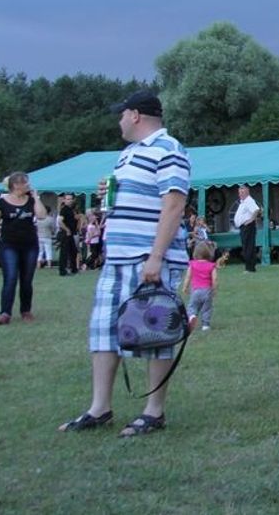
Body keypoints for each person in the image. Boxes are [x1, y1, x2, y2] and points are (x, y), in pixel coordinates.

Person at [58, 90, 190, 438]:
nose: (118, 121)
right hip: (117, 258)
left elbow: (174, 205)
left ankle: (154, 411)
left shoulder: (169, 150)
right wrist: (109, 193)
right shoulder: (128, 154)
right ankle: (99, 408)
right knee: (103, 331)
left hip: (148, 258)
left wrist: (156, 256)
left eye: (121, 114)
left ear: (135, 115)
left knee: (155, 333)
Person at [0, 172, 48, 324]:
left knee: (26, 279)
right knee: (10, 278)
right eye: (26, 183)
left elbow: (42, 215)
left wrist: (36, 197)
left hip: (30, 245)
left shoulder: (31, 201)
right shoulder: (2, 203)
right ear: (16, 185)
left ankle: (26, 311)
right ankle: (5, 313)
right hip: (8, 245)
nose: (28, 185)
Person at [180, 241, 227, 332]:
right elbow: (215, 279)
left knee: (192, 306)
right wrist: (214, 289)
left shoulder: (192, 264)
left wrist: (185, 287)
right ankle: (205, 325)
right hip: (207, 291)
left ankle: (192, 316)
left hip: (195, 290)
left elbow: (188, 276)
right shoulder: (211, 266)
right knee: (207, 308)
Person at [234, 185, 261, 273]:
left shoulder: (249, 200)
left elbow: (256, 210)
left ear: (247, 191)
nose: (240, 194)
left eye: (242, 192)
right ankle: (249, 267)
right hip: (244, 227)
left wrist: (251, 220)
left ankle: (250, 268)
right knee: (246, 246)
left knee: (248, 247)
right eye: (239, 192)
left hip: (248, 226)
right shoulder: (243, 202)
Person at [57, 193, 80, 276]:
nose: (69, 200)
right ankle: (62, 271)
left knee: (73, 251)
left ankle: (74, 269)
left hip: (71, 234)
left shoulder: (71, 209)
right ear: (64, 200)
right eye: (67, 199)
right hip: (66, 233)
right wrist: (67, 229)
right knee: (64, 253)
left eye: (70, 199)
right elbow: (60, 221)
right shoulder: (64, 209)